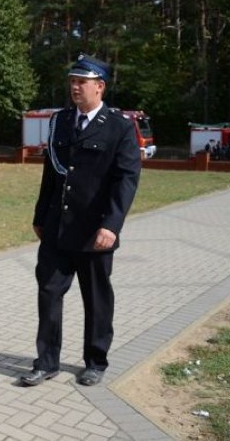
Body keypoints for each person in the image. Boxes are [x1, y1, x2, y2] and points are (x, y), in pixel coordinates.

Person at [21, 55, 141, 388]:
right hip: (58, 229)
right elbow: (52, 173)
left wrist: (111, 226)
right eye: (72, 81)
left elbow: (127, 179)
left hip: (95, 231)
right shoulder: (60, 121)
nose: (75, 87)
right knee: (48, 292)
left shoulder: (119, 126)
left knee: (97, 298)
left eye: (82, 82)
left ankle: (96, 361)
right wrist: (40, 215)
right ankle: (46, 361)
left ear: (99, 87)